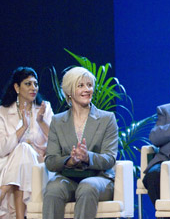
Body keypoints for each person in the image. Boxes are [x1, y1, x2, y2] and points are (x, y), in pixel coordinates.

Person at [42, 66, 118, 219]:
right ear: (69, 91)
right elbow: (50, 160)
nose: (87, 89)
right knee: (53, 189)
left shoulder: (107, 119)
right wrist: (69, 161)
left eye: (89, 85)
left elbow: (110, 158)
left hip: (99, 179)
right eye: (81, 85)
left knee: (87, 187)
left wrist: (87, 157)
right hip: (68, 178)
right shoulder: (58, 121)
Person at [0, 67, 53, 219]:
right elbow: (2, 149)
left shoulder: (44, 108)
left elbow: (57, 142)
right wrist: (23, 127)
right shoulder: (3, 112)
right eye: (28, 84)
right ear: (17, 87)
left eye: (35, 84)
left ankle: (3, 190)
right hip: (10, 164)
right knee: (22, 151)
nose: (33, 88)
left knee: (24, 150)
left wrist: (41, 121)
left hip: (38, 163)